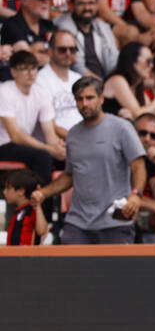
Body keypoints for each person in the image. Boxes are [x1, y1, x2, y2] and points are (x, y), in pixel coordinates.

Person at [32, 76, 146, 244]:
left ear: (101, 99)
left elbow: (138, 165)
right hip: (77, 223)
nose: (84, 103)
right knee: (71, 270)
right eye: (79, 99)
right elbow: (69, 175)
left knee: (113, 271)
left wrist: (136, 195)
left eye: (89, 98)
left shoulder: (122, 128)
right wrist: (43, 193)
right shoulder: (73, 135)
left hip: (114, 221)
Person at [0, 50, 63, 187]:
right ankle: (41, 206)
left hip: (22, 145)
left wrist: (59, 148)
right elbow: (15, 135)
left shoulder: (41, 92)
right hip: (4, 145)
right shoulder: (4, 91)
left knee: (69, 156)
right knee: (42, 156)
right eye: (24, 68)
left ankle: (64, 206)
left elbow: (50, 134)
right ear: (13, 72)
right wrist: (48, 149)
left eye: (34, 68)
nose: (31, 73)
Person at [54, 0, 118, 79]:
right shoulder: (63, 28)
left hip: (106, 83)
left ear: (97, 5)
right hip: (79, 84)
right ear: (71, 5)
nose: (87, 8)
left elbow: (114, 60)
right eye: (81, 4)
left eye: (91, 3)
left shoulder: (103, 27)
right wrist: (102, 87)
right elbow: (77, 67)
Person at [35, 30, 82, 137]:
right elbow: (50, 126)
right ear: (50, 52)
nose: (68, 53)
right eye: (62, 50)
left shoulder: (78, 78)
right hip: (60, 141)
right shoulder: (39, 80)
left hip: (84, 137)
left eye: (73, 49)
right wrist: (79, 140)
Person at [1, 0, 55, 66]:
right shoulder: (12, 24)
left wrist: (41, 47)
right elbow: (27, 58)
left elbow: (62, 54)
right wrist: (47, 50)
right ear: (24, 1)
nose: (46, 1)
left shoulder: (48, 24)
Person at [4, 168, 47, 245]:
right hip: (13, 255)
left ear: (21, 191)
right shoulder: (17, 211)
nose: (4, 192)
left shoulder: (33, 209)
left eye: (8, 188)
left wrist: (38, 206)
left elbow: (42, 231)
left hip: (27, 256)